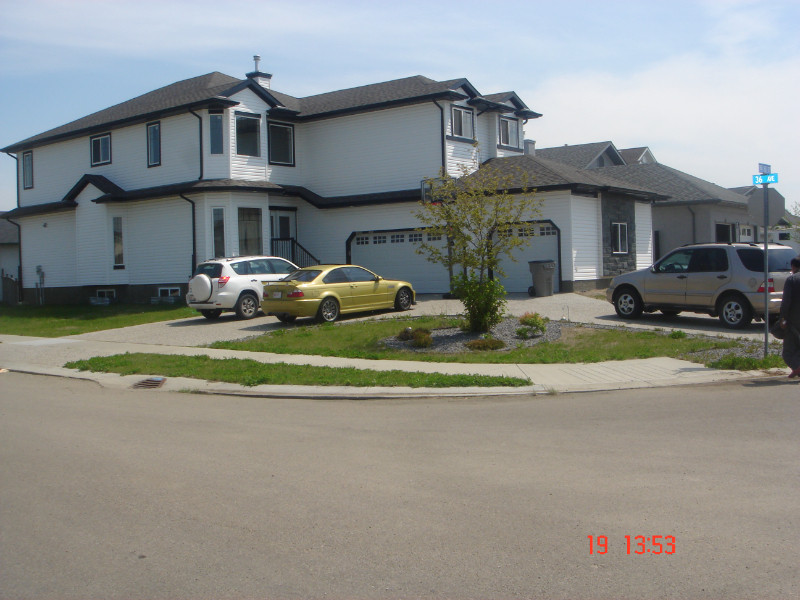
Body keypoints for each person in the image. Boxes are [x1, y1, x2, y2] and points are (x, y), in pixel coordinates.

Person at [779, 256, 800, 377]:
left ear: (793, 267)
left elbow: (786, 302)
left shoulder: (792, 280)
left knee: (787, 353)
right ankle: (797, 369)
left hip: (794, 321)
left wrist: (783, 318)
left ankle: (797, 368)